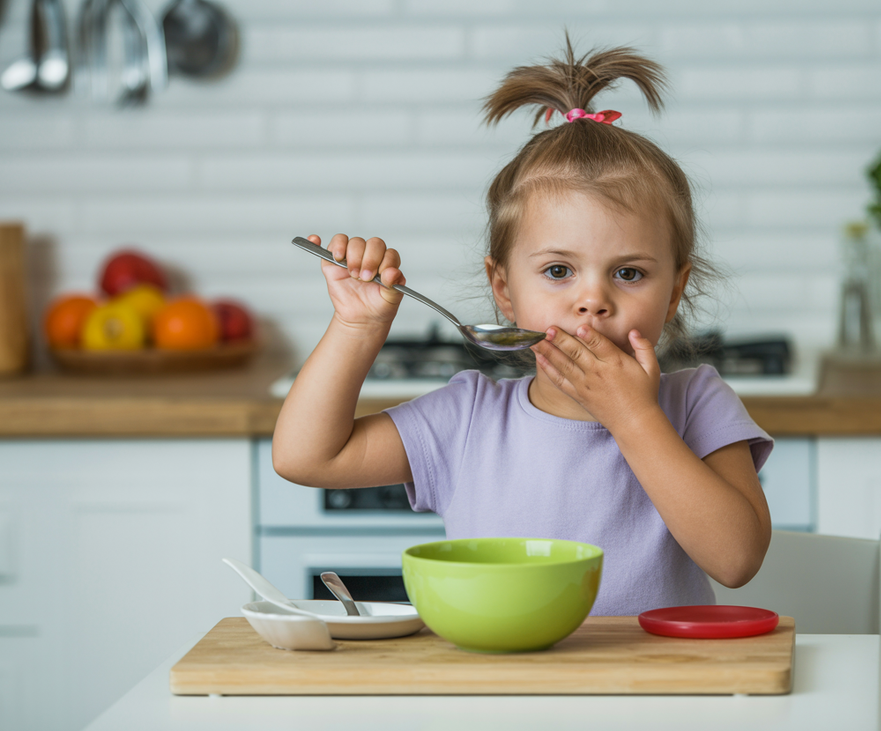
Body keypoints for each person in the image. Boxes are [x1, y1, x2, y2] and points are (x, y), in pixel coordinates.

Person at [272, 40, 774, 616]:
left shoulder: (696, 404)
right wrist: (356, 328)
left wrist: (633, 416)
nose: (593, 300)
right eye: (558, 271)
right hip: (497, 693)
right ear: (505, 290)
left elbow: (736, 561)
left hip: (652, 693)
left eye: (629, 272)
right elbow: (304, 458)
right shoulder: (468, 420)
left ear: (674, 292)